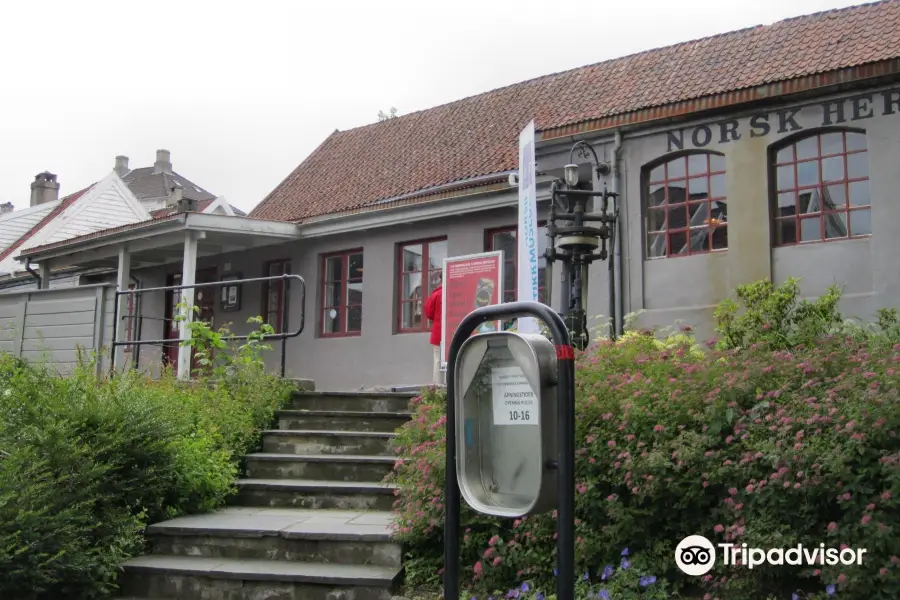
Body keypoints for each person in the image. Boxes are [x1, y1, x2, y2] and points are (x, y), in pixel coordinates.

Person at [423, 272, 443, 386]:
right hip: (453, 332)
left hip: (438, 333)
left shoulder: (436, 294)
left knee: (438, 360)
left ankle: (437, 387)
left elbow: (429, 313)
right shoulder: (455, 291)